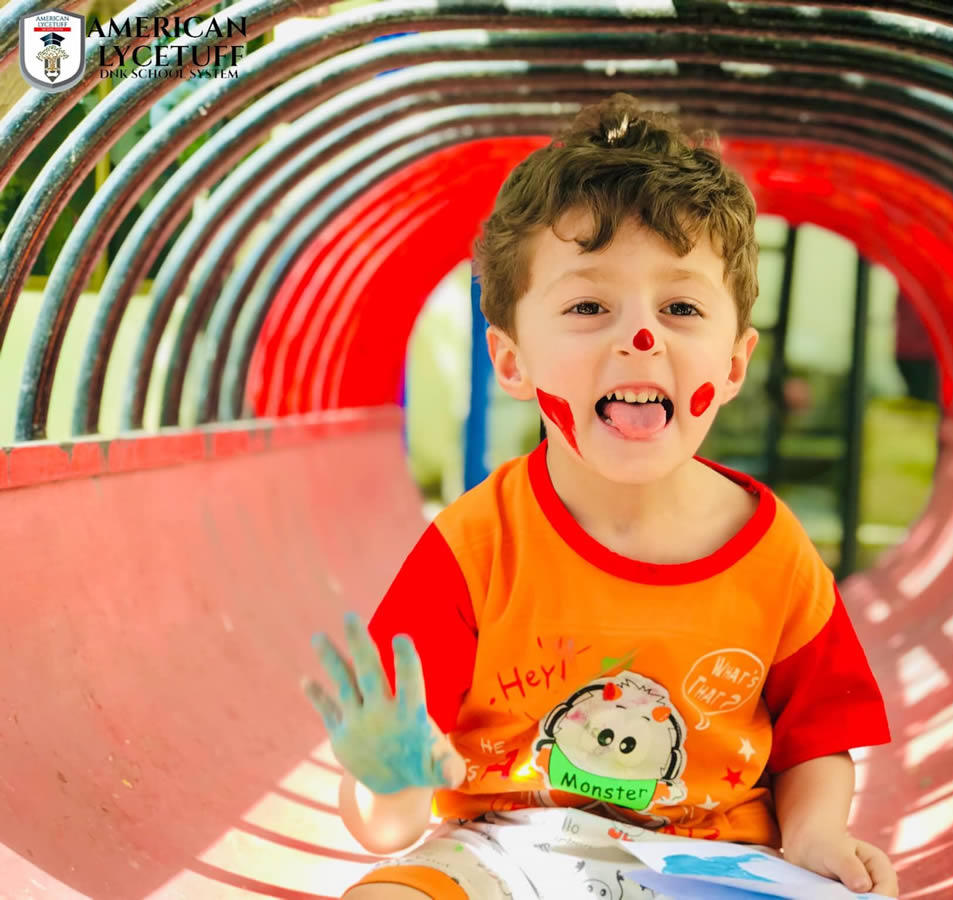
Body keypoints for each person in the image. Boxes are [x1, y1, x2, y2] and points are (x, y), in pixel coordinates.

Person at [302, 93, 898, 900]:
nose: (639, 338)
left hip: (710, 861)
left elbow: (815, 739)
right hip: (506, 847)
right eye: (589, 306)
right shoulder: (475, 547)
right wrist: (392, 780)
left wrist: (819, 834)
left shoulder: (774, 553)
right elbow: (386, 822)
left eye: (681, 307)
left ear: (733, 364)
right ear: (512, 363)